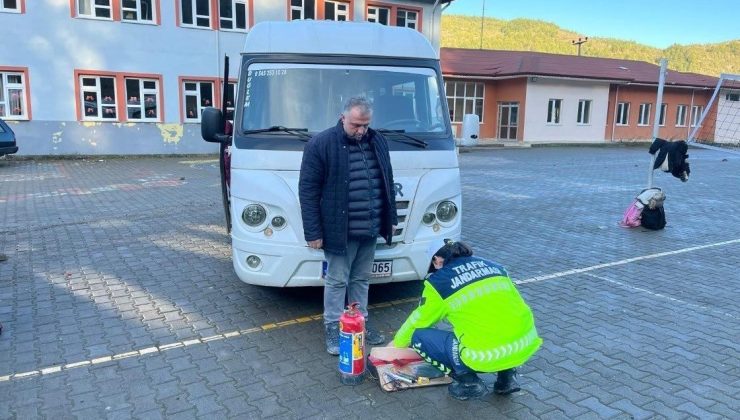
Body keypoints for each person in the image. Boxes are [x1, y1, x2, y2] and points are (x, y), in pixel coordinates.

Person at [299, 96, 398, 355]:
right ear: (343, 118)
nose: (361, 131)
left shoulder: (378, 141)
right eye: (356, 125)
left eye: (365, 125)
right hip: (338, 230)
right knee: (336, 280)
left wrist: (391, 220)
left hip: (370, 227)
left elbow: (386, 181)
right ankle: (333, 326)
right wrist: (313, 232)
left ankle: (359, 322)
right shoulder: (321, 144)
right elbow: (307, 191)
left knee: (361, 278)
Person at [390, 240, 542, 400]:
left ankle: (468, 382)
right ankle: (507, 378)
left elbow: (419, 320)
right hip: (525, 343)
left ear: (437, 260)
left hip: (485, 355)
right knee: (502, 326)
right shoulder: (496, 267)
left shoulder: (439, 283)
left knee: (419, 336)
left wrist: (397, 344)